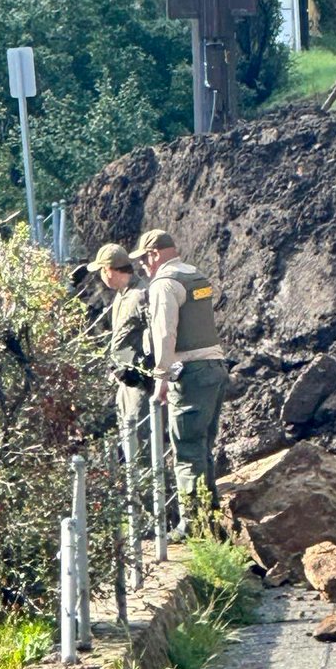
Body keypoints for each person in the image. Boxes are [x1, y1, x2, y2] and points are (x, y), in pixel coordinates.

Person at [128, 228, 228, 537]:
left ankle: (193, 527)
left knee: (186, 448)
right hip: (215, 367)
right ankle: (210, 521)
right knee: (203, 446)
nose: (143, 267)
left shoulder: (164, 284)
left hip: (191, 373)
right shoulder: (195, 275)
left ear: (155, 254)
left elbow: (164, 334)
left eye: (144, 260)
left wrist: (161, 379)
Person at [86, 242, 152, 438]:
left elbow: (157, 334)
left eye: (101, 271)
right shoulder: (123, 296)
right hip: (125, 381)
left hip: (140, 384)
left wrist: (142, 370)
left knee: (142, 441)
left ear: (109, 271)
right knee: (128, 438)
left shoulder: (141, 295)